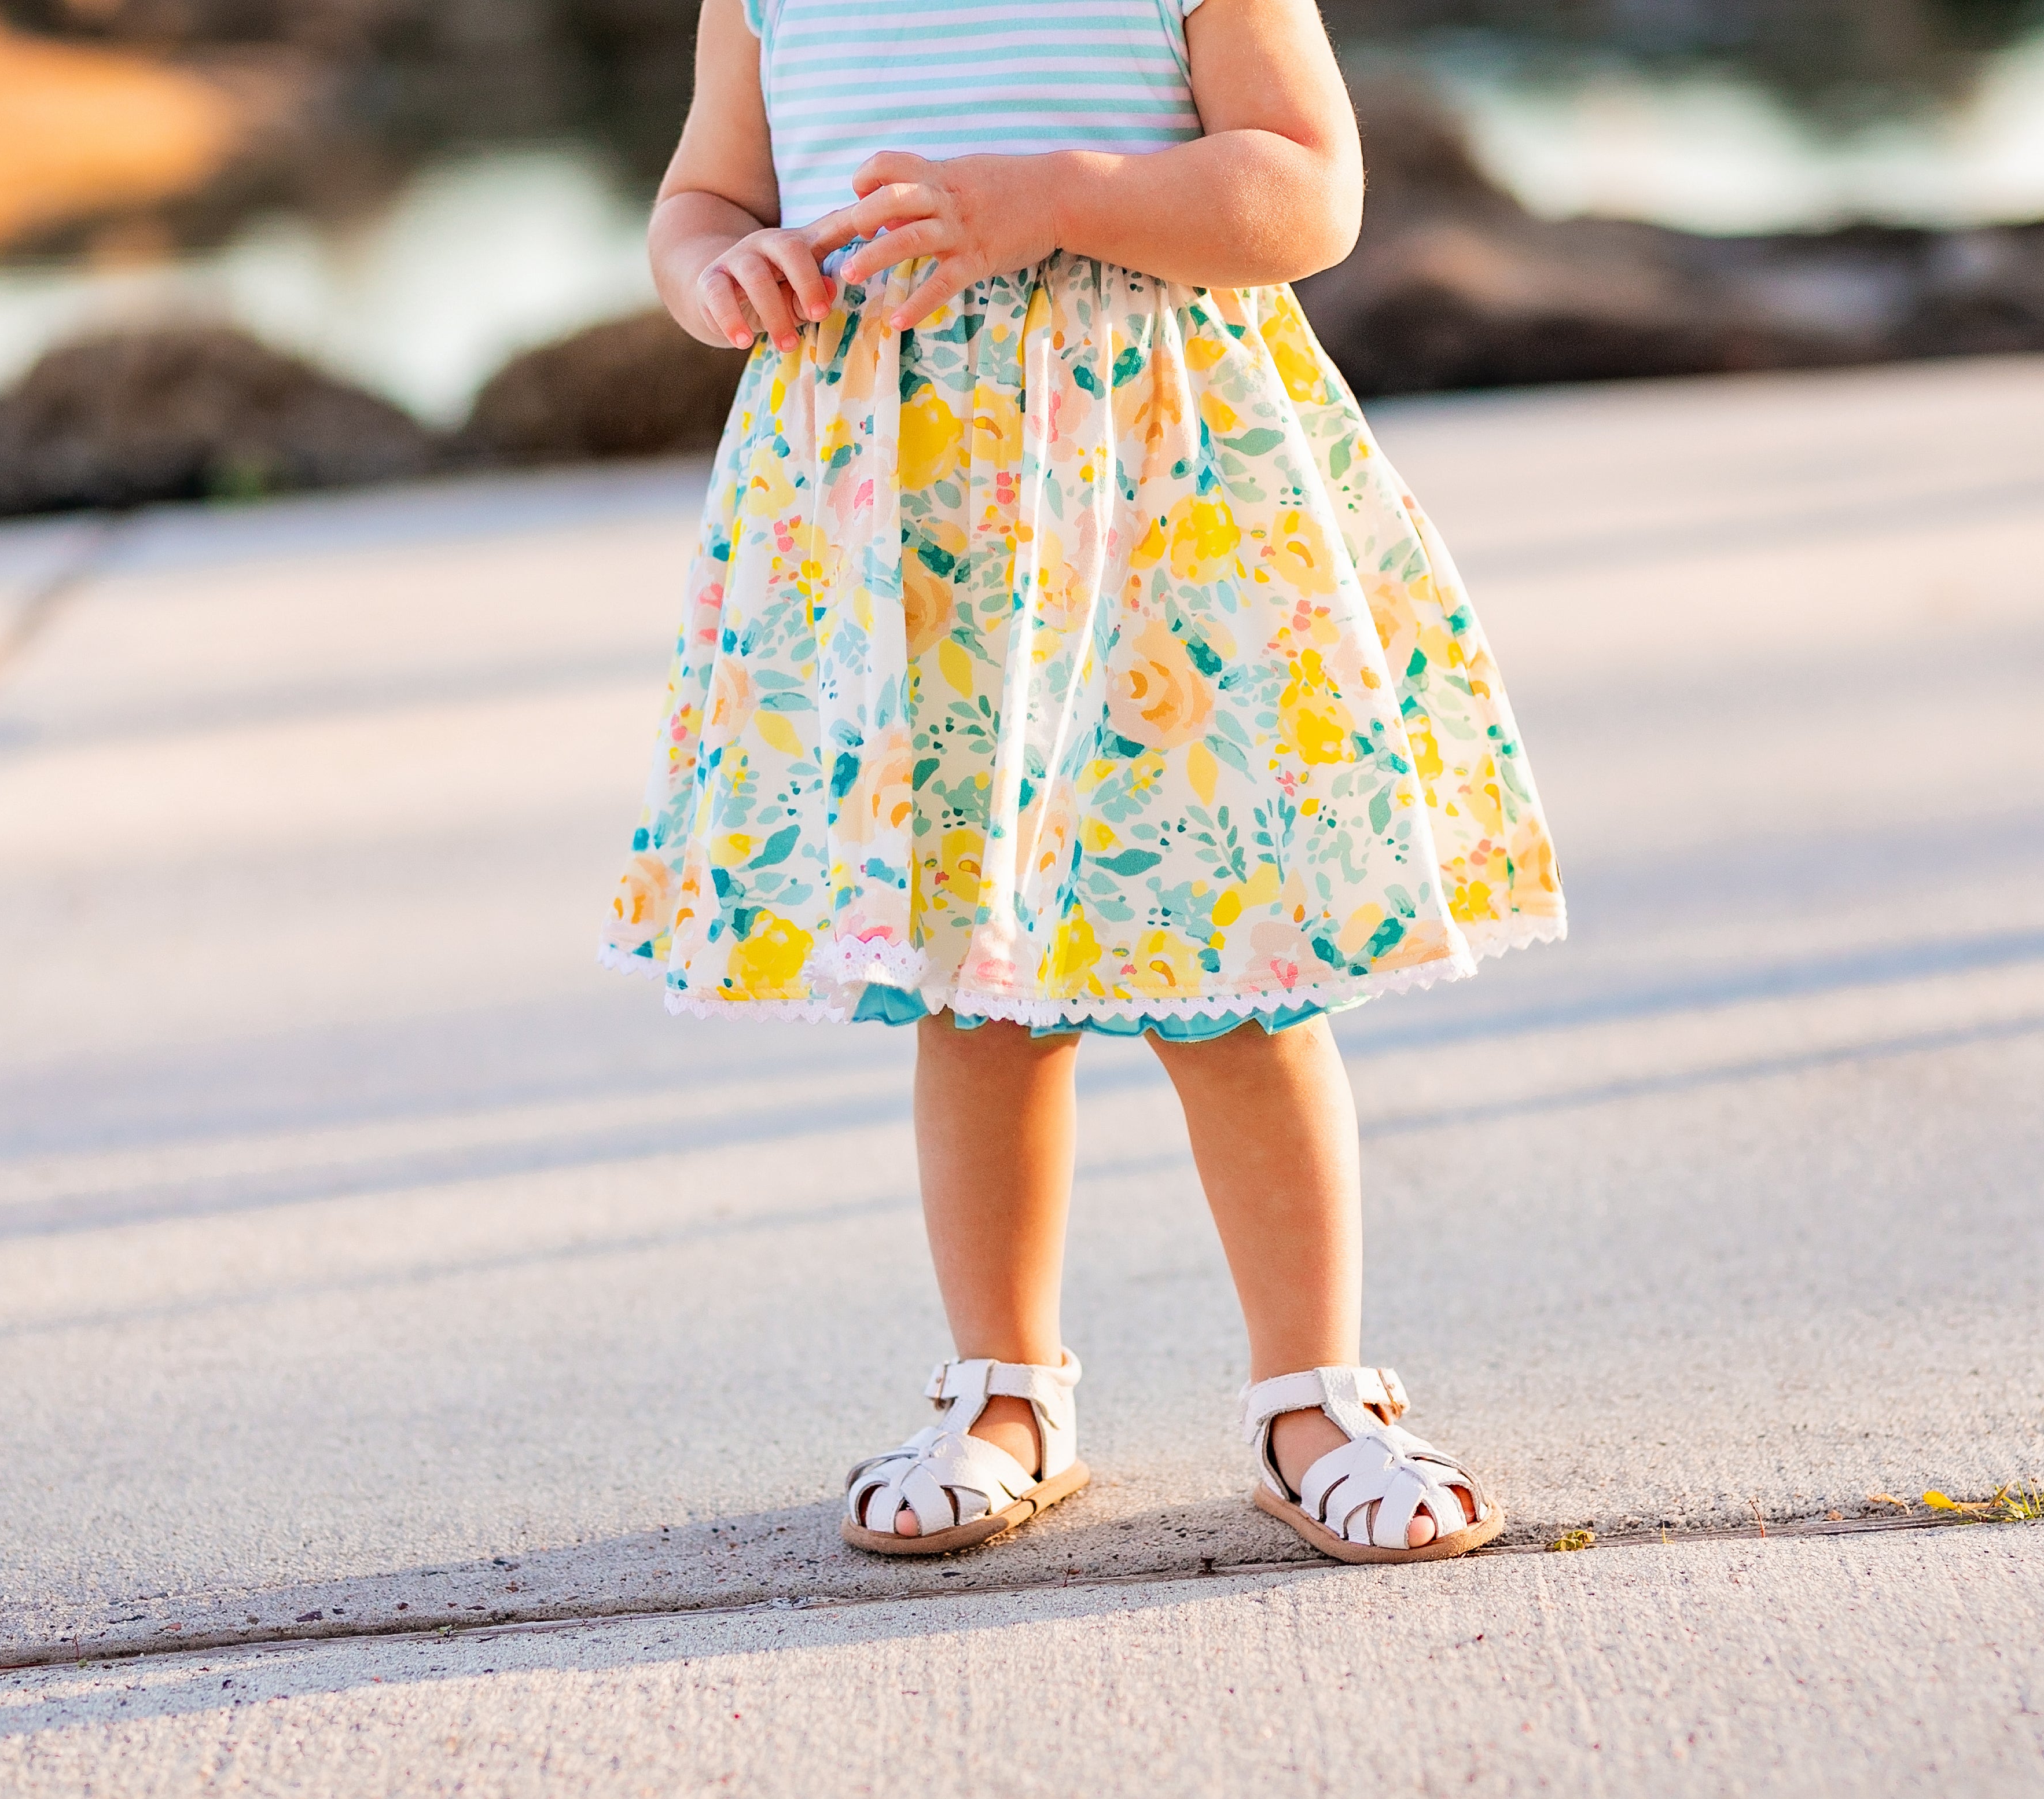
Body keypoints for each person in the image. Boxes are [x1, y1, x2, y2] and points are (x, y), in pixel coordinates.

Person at [604, 0, 1564, 1564]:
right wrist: (718, 270)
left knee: (1233, 971)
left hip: (1157, 497)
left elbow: (1308, 191)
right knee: (975, 991)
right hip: (913, 524)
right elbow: (701, 199)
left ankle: (1314, 1398)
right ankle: (1003, 1390)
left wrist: (1059, 194)